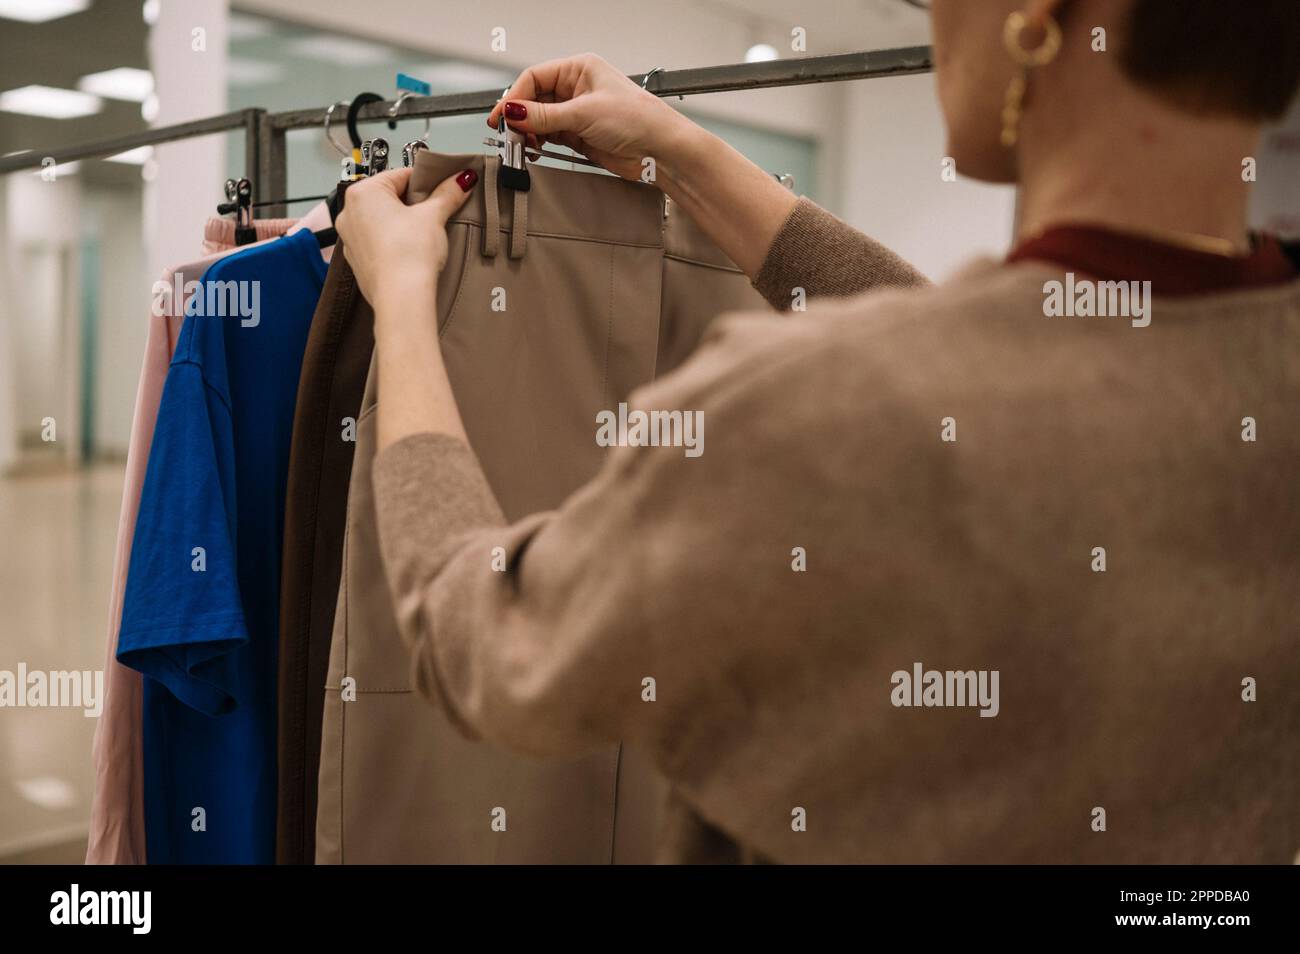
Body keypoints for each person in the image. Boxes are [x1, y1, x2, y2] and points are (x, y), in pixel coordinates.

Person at [334, 0, 1300, 863]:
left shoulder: (797, 422)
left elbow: (485, 646)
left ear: (1033, 16)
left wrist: (406, 302)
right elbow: (1038, 382)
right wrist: (679, 153)